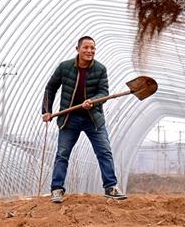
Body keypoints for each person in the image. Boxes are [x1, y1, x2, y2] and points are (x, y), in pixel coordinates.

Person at [41, 35, 127, 203]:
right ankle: (57, 189)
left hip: (92, 118)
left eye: (92, 48)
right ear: (78, 49)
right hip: (69, 118)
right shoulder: (64, 67)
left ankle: (111, 187)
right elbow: (50, 88)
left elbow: (104, 92)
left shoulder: (100, 69)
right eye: (86, 47)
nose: (89, 51)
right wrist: (46, 110)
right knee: (62, 154)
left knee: (104, 152)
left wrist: (93, 101)